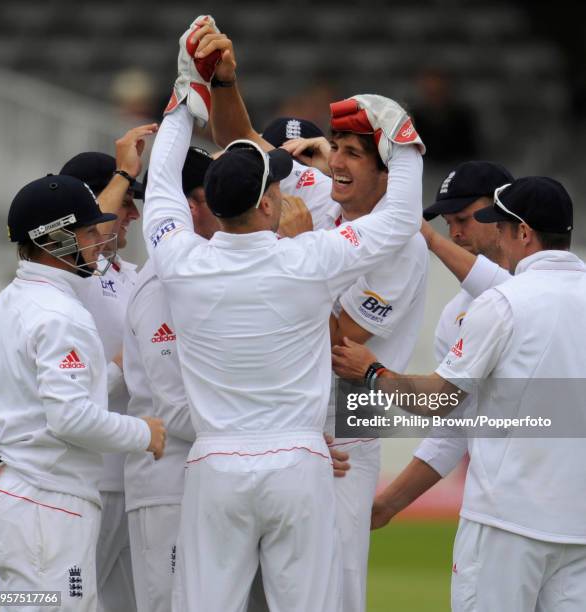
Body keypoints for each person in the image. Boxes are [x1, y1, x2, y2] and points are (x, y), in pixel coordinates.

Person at [143, 15, 423, 612]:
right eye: (335, 152)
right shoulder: (311, 251)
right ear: (269, 201)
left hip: (261, 450)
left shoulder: (179, 257)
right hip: (301, 451)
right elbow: (399, 220)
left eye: (350, 153)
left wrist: (180, 100)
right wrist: (404, 142)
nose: (331, 165)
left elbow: (164, 186)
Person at [332, 176, 586, 612]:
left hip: (506, 523)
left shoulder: (504, 302)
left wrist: (372, 371)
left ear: (523, 232)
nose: (498, 239)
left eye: (500, 226)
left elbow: (439, 401)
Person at [0, 174, 165, 612]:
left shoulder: (11, 300)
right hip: (47, 503)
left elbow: (42, 399)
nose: (99, 241)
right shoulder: (59, 314)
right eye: (88, 232)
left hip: (25, 496)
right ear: (55, 240)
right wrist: (145, 433)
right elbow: (69, 419)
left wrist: (114, 371)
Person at [371, 160, 514, 528]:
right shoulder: (455, 315)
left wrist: (373, 374)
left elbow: (513, 295)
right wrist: (386, 505)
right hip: (501, 512)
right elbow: (452, 426)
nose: (455, 234)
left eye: (463, 219)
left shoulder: (555, 281)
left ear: (503, 209)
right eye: (447, 225)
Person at [60, 123, 157, 612]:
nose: (134, 217)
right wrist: (124, 366)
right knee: (63, 601)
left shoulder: (134, 275)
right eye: (126, 203)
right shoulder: (68, 275)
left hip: (134, 475)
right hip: (85, 476)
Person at [124, 146, 215, 612]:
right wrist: (260, 433)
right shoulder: (162, 285)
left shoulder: (196, 275)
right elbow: (176, 409)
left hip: (200, 477)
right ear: (192, 208)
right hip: (167, 486)